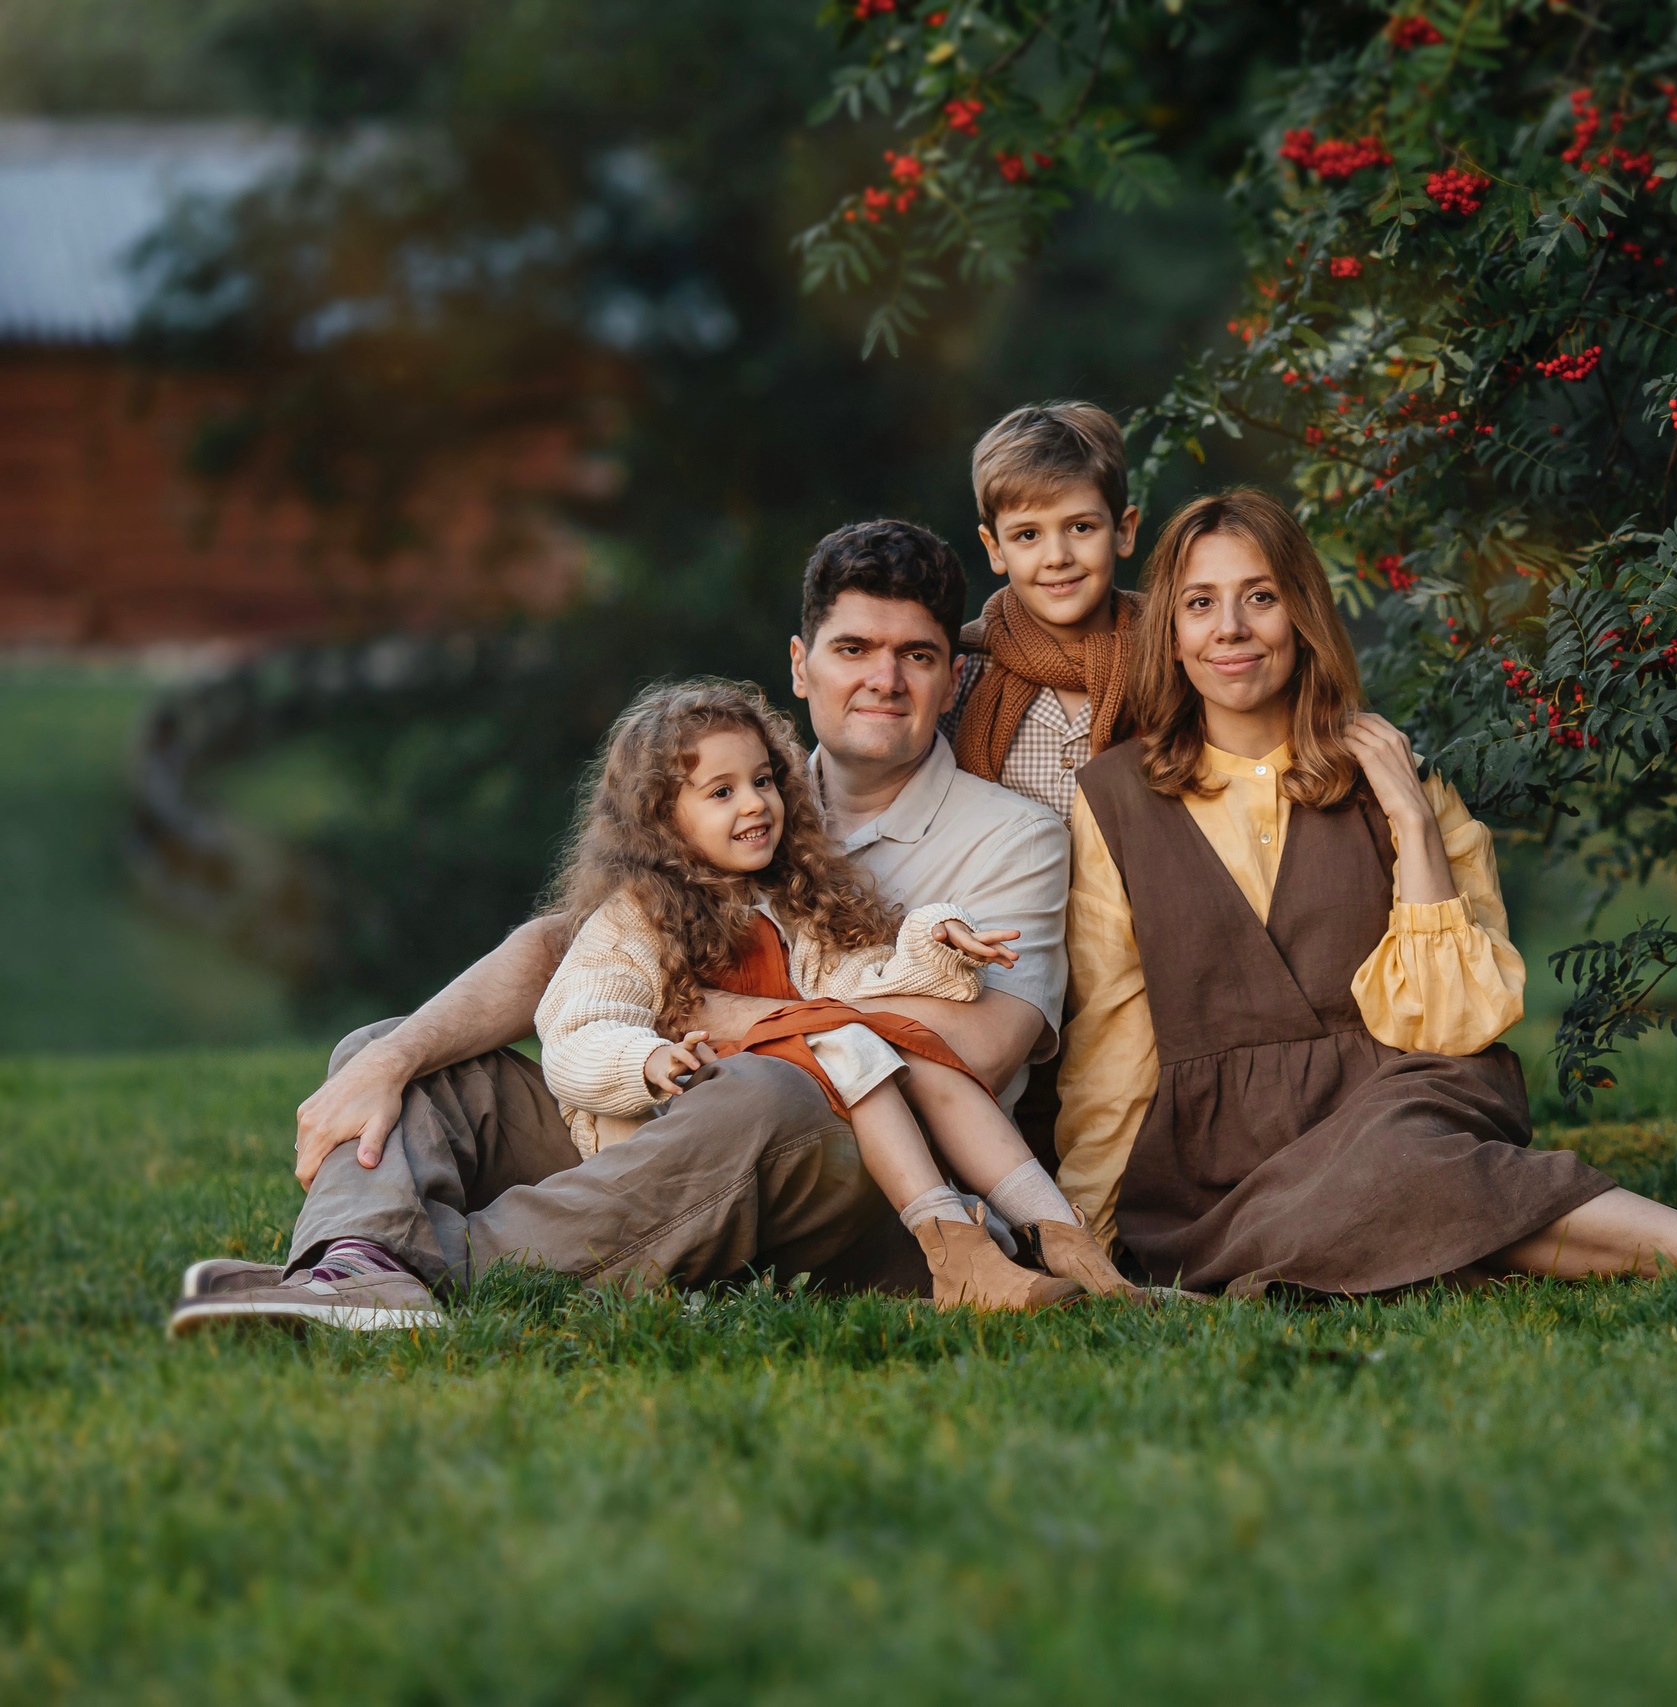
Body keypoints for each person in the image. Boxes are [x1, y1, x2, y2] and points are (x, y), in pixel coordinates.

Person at [168, 521, 1074, 1335]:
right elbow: (567, 952)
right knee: (400, 1053)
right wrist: (391, 1062)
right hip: (661, 1117)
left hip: (860, 1168)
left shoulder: (1012, 835)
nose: (882, 678)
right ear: (802, 666)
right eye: (854, 648)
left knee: (764, 1092)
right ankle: (356, 1268)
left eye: (915, 655)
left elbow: (986, 1047)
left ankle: (405, 1263)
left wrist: (726, 1016)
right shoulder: (731, 789)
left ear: (951, 679)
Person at [1054, 488, 1677, 1295]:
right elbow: (1112, 1041)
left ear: (1303, 615)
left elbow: (1457, 1024)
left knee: (1399, 1159)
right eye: (1201, 603)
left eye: (1261, 596)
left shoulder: (1398, 772)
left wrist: (1409, 817)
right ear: (1169, 631)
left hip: (1405, 1093)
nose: (1231, 629)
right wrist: (1079, 1230)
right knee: (1391, 1185)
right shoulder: (1117, 799)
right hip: (1226, 1160)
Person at [533, 676, 1128, 1308]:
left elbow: (859, 986)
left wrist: (934, 943)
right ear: (660, 817)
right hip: (679, 1130)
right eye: (722, 792)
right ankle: (955, 1249)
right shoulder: (635, 919)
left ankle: (1071, 1247)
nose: (756, 804)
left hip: (795, 1115)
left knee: (915, 1045)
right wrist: (644, 1059)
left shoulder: (790, 903)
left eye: (763, 781)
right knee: (844, 1042)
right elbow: (575, 1028)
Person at [947, 401, 1143, 823]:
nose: (1056, 557)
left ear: (1123, 531)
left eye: (1080, 527)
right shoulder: (961, 670)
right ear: (995, 548)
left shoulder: (1172, 661)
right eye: (1028, 534)